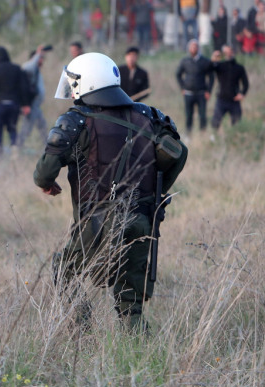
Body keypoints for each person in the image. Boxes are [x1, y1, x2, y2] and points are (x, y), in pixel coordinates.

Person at [34, 52, 187, 333]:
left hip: (96, 223)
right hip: (142, 219)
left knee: (64, 270)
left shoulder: (76, 120)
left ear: (88, 84)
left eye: (74, 85)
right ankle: (140, 355)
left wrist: (48, 183)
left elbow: (42, 174)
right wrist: (156, 194)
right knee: (131, 305)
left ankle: (82, 334)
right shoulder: (149, 116)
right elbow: (178, 153)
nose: (70, 92)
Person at [0, 46, 31, 156]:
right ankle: (15, 152)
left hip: (0, 105)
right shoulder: (17, 68)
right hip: (14, 105)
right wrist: (26, 104)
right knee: (12, 129)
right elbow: (23, 88)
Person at [175, 39, 214, 135]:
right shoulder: (185, 61)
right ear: (189, 48)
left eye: (195, 46)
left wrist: (208, 91)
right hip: (188, 93)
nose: (193, 48)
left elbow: (211, 77)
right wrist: (182, 88)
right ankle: (188, 134)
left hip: (201, 93)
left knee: (202, 115)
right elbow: (178, 74)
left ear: (198, 48)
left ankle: (202, 133)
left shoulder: (205, 61)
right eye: (192, 47)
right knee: (189, 115)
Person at [210, 44, 249, 135]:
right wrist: (213, 58)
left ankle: (235, 138)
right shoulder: (220, 66)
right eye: (226, 51)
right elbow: (209, 68)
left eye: (230, 51)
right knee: (215, 122)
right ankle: (213, 138)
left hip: (234, 100)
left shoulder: (239, 68)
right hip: (222, 99)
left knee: (237, 123)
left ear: (233, 52)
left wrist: (242, 94)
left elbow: (246, 84)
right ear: (223, 53)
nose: (228, 53)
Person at [19, 45, 50, 149]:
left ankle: (47, 147)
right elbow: (28, 66)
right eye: (41, 58)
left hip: (36, 105)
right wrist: (38, 53)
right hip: (31, 105)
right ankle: (18, 147)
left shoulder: (36, 70)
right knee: (27, 128)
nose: (42, 60)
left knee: (42, 126)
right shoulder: (29, 68)